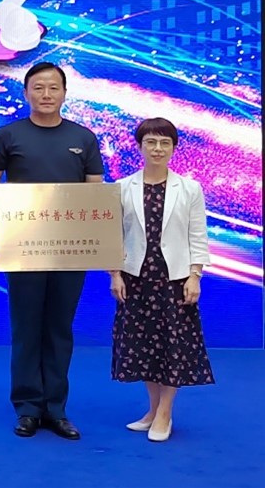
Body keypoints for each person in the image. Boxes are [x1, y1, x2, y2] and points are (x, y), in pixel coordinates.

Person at [0, 61, 103, 440]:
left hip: (70, 248)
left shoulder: (83, 137)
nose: (46, 94)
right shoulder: (8, 135)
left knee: (59, 328)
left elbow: (94, 191)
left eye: (53, 88)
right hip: (23, 246)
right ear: (26, 93)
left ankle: (56, 408)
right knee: (26, 327)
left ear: (65, 93)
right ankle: (27, 407)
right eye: (38, 88)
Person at [110, 117, 213, 442]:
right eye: (151, 142)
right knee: (144, 347)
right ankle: (152, 410)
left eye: (164, 143)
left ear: (174, 147)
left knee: (172, 346)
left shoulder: (190, 188)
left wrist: (195, 276)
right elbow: (113, 236)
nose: (157, 148)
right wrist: (115, 274)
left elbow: (198, 235)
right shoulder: (122, 187)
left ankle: (165, 413)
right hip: (136, 278)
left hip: (174, 279)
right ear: (139, 146)